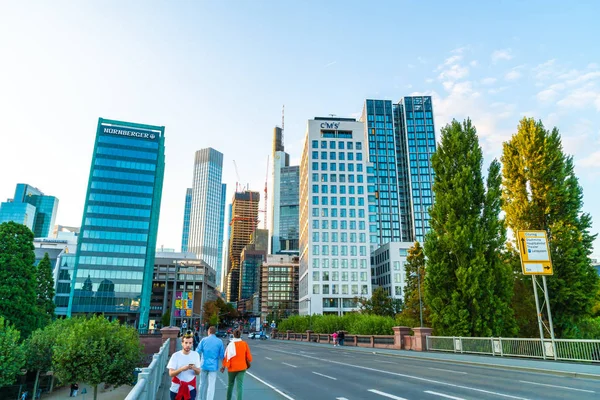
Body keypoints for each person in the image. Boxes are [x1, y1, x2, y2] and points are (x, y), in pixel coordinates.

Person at [167, 330, 200, 400]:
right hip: (176, 389)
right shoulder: (175, 356)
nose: (188, 345)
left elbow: (198, 372)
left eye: (190, 343)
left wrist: (194, 368)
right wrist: (181, 369)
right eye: (186, 343)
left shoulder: (196, 355)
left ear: (192, 344)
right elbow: (171, 374)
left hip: (190, 389)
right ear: (182, 343)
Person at [220, 329, 252, 400]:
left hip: (231, 368)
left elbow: (226, 357)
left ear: (233, 335)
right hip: (242, 368)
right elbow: (249, 358)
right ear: (240, 335)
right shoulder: (244, 344)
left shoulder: (230, 345)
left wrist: (223, 366)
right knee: (239, 386)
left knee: (230, 385)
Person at [197, 326, 225, 400]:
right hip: (213, 366)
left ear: (208, 331)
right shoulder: (219, 341)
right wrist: (223, 366)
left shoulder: (204, 340)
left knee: (202, 384)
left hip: (203, 365)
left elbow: (198, 351)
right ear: (215, 332)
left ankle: (200, 398)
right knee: (211, 386)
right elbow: (222, 355)